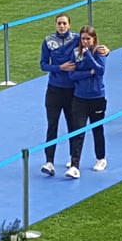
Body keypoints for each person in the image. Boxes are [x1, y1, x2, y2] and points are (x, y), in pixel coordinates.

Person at [38, 13, 80, 177]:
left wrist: (105, 50)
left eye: (64, 23)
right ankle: (49, 161)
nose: (62, 26)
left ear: (69, 24)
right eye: (59, 23)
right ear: (56, 25)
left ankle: (73, 161)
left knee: (73, 125)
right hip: (54, 89)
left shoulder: (76, 39)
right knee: (52, 125)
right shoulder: (48, 41)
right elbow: (43, 65)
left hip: (72, 90)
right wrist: (59, 68)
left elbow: (91, 45)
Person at [67, 25, 107, 178]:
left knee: (97, 129)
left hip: (97, 97)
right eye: (83, 39)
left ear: (94, 39)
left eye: (88, 39)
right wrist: (88, 73)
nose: (85, 42)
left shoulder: (99, 52)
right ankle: (74, 164)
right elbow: (72, 75)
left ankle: (101, 158)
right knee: (78, 130)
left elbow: (100, 71)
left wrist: (89, 56)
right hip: (79, 97)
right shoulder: (76, 53)